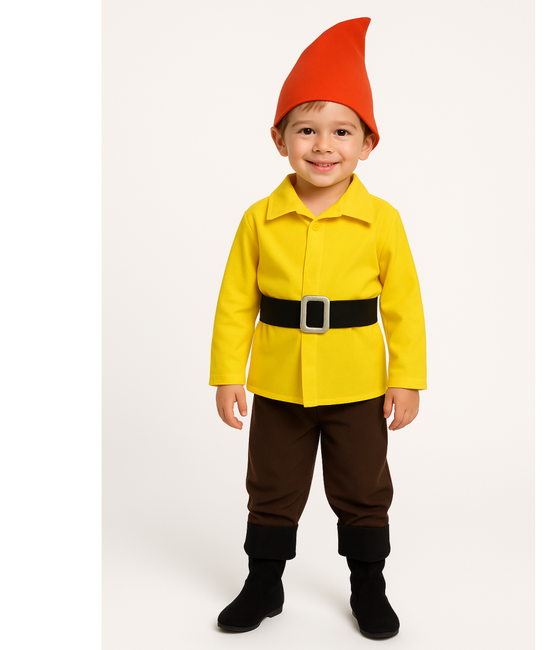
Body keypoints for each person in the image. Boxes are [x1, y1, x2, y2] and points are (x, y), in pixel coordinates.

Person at [209, 17, 426, 639]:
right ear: (279, 139)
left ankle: (368, 586)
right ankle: (263, 583)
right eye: (306, 129)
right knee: (271, 485)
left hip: (358, 384)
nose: (323, 145)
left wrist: (406, 379)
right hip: (279, 381)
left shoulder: (382, 221)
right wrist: (228, 374)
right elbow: (235, 302)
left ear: (367, 144)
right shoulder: (259, 219)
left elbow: (404, 306)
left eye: (342, 131)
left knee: (363, 487)